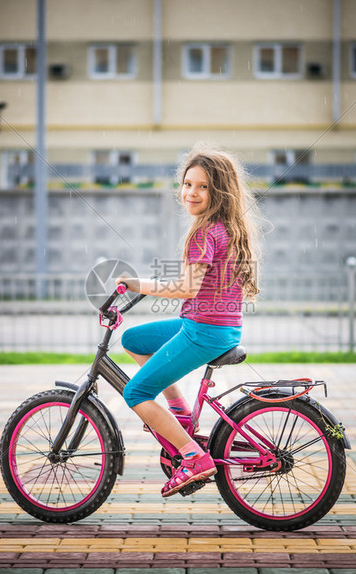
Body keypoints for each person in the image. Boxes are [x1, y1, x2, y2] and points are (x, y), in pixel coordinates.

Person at [116, 144, 261, 497]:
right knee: (133, 340)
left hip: (203, 333)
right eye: (187, 184)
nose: (191, 193)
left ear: (219, 192)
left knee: (135, 392)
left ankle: (193, 457)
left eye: (203, 186)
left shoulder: (203, 233)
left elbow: (186, 288)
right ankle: (180, 415)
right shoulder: (228, 227)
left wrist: (138, 285)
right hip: (217, 329)